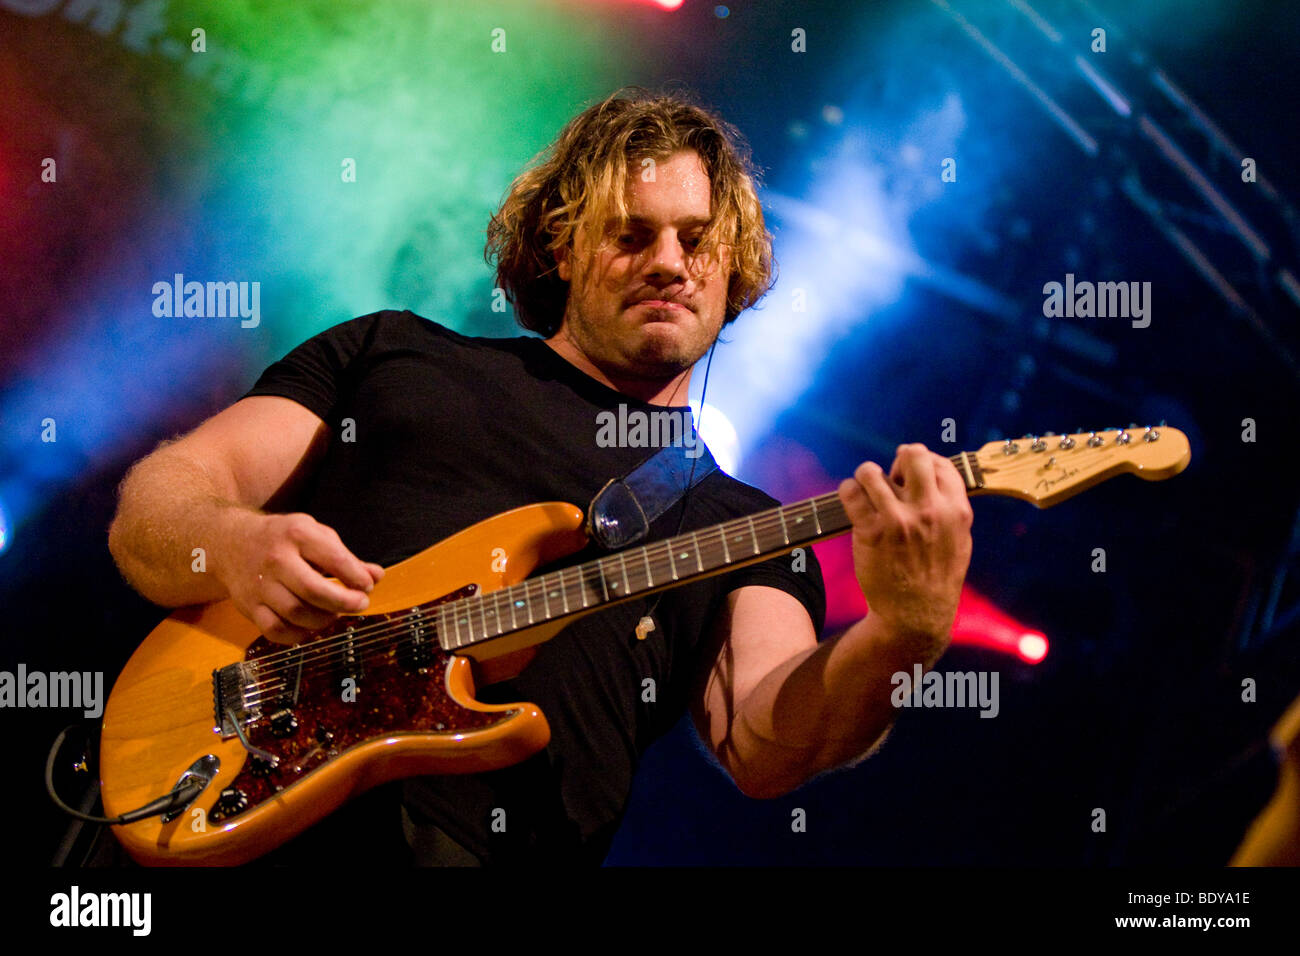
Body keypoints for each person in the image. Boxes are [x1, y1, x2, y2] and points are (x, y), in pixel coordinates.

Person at [106, 88, 974, 865]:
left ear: (734, 266)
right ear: (561, 246)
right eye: (631, 235)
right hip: (218, 792)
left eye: (699, 242)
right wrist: (231, 544)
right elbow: (158, 505)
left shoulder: (731, 520)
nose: (669, 263)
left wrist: (902, 637)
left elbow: (766, 743)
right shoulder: (393, 354)